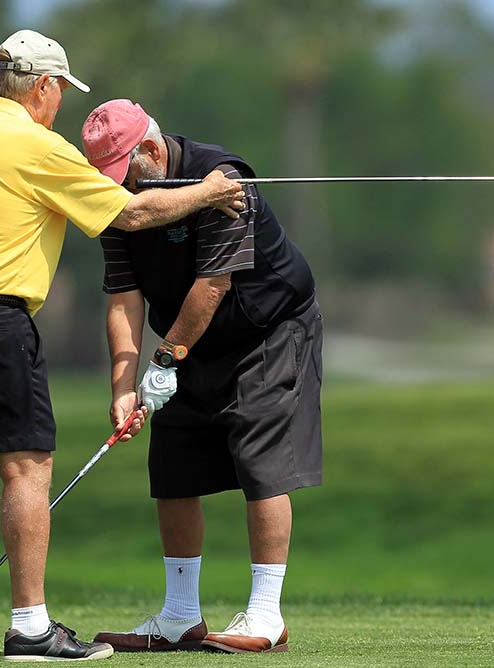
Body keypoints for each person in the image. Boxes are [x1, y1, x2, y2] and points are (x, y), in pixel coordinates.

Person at [0, 32, 244, 663]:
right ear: (43, 87)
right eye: (59, 94)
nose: (59, 108)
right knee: (26, 468)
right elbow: (132, 214)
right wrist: (209, 193)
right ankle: (29, 627)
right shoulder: (39, 147)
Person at [81, 99, 322, 654]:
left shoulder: (225, 182)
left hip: (267, 326)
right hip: (187, 337)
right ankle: (180, 615)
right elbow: (123, 297)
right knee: (173, 463)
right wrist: (123, 384)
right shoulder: (117, 203)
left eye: (123, 173)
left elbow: (212, 286)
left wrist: (164, 362)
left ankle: (266, 614)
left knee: (260, 457)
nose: (119, 188)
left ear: (149, 149)